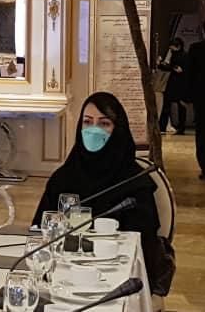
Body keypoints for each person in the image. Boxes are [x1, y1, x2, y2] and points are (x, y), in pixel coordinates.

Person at [32, 92, 173, 295]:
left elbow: (142, 250)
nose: (94, 130)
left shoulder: (135, 183)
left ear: (118, 129)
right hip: (61, 277)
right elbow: (39, 231)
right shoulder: (63, 178)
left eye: (104, 123)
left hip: (117, 281)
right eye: (87, 122)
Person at [187, 20, 205, 180]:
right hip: (201, 96)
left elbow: (190, 74)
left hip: (202, 97)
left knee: (203, 133)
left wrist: (188, 96)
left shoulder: (196, 48)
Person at [157, 37, 187, 135]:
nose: (170, 49)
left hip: (179, 84)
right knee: (169, 105)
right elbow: (170, 67)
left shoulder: (183, 56)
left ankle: (179, 128)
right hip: (173, 83)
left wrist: (164, 65)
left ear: (178, 46)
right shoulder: (174, 54)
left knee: (179, 106)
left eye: (172, 47)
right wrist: (161, 64)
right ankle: (163, 127)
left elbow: (178, 69)